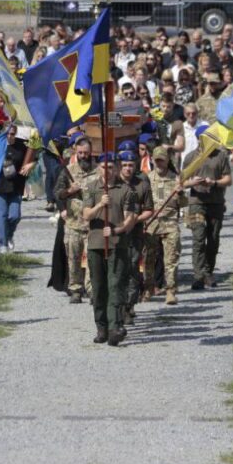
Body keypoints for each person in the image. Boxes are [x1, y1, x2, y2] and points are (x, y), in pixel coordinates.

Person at [82, 153, 139, 347]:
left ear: (115, 168)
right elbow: (86, 215)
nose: (107, 171)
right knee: (98, 289)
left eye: (110, 167)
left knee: (115, 287)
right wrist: (100, 204)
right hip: (96, 245)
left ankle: (115, 327)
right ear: (98, 168)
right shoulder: (91, 188)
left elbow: (130, 219)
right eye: (103, 167)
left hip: (117, 245)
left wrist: (116, 229)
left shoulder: (125, 190)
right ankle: (101, 328)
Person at [182, 127, 232, 290]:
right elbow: (181, 182)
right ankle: (198, 275)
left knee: (213, 238)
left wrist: (214, 182)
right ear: (199, 139)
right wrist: (193, 182)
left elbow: (228, 179)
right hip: (196, 202)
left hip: (216, 203)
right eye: (205, 138)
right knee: (198, 237)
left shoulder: (221, 156)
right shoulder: (191, 157)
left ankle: (208, 272)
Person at [142, 146, 185, 305]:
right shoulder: (146, 179)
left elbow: (184, 204)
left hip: (170, 223)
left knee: (171, 258)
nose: (159, 163)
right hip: (151, 224)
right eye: (157, 160)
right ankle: (148, 288)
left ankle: (170, 290)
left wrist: (180, 193)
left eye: (162, 160)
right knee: (148, 258)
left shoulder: (176, 179)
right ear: (152, 160)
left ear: (168, 161)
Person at [55, 135, 95, 303]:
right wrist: (70, 191)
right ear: (75, 152)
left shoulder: (99, 171)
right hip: (73, 223)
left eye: (86, 153)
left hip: (93, 224)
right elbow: (57, 193)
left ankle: (92, 290)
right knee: (74, 258)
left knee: (92, 259)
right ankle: (75, 288)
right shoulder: (68, 170)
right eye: (80, 153)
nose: (83, 156)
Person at [118, 142, 153, 324]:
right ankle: (118, 305)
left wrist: (134, 220)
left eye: (131, 165)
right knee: (118, 270)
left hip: (135, 235)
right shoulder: (113, 184)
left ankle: (128, 305)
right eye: (124, 165)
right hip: (117, 235)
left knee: (132, 269)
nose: (128, 168)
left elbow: (149, 210)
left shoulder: (142, 184)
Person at [0, 124, 34, 255]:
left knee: (15, 216)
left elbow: (35, 155)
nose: (10, 137)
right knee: (2, 216)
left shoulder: (22, 145)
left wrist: (31, 165)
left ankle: (8, 235)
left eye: (12, 134)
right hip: (0, 186)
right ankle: (2, 245)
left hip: (16, 186)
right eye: (8, 134)